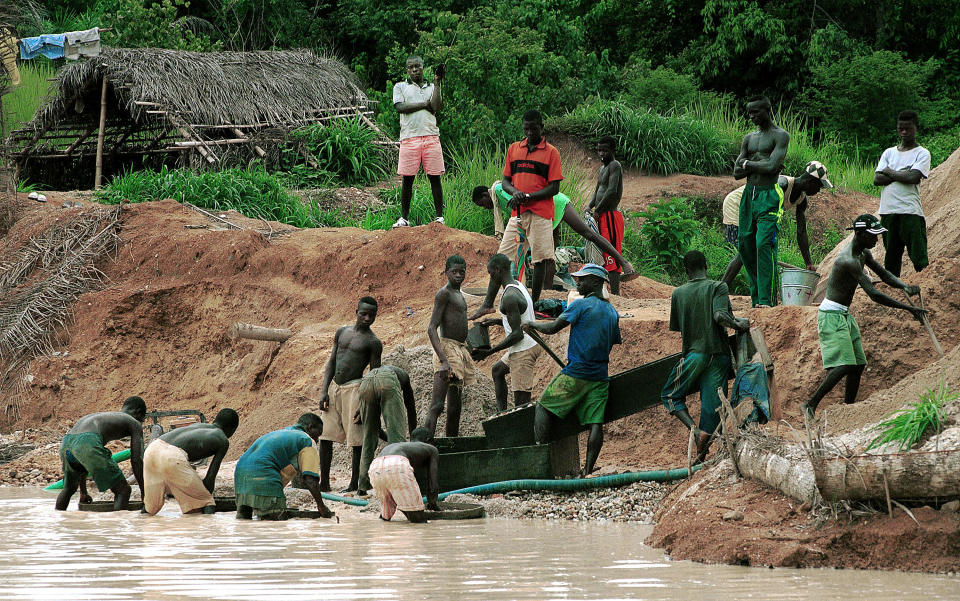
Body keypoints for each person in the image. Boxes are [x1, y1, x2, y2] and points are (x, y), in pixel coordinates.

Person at [801, 215, 927, 420]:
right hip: (831, 315)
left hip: (843, 314)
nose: (876, 240)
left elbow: (884, 274)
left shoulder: (863, 253)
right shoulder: (848, 260)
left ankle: (849, 409)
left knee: (858, 364)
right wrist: (907, 308)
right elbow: (874, 294)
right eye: (873, 235)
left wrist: (904, 286)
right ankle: (810, 404)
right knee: (845, 365)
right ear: (859, 234)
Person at [524, 264, 621, 476]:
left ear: (595, 282)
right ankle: (586, 469)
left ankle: (541, 458)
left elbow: (553, 327)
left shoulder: (580, 306)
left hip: (577, 372)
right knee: (595, 423)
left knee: (542, 407)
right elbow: (613, 342)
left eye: (582, 279)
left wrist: (532, 323)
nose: (577, 283)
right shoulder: (612, 312)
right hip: (600, 375)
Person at [661, 251, 751, 463]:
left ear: (686, 270)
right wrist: (738, 324)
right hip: (718, 356)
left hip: (694, 355)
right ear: (706, 266)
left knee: (670, 395)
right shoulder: (718, 287)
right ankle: (703, 448)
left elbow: (677, 327)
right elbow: (719, 316)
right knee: (712, 409)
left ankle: (694, 431)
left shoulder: (678, 293)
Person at [486, 109, 563, 307]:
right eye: (526, 129)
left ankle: (534, 303)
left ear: (541, 128)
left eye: (534, 129)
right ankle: (487, 303)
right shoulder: (514, 149)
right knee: (501, 258)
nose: (529, 133)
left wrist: (527, 196)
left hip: (541, 213)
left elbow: (554, 187)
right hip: (518, 213)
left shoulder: (551, 152)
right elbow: (505, 181)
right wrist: (516, 193)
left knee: (539, 260)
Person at [721, 161, 834, 285]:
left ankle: (760, 291)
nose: (818, 191)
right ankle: (721, 288)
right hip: (739, 204)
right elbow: (762, 206)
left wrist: (808, 263)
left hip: (756, 212)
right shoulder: (782, 184)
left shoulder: (802, 200)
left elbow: (801, 231)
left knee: (754, 250)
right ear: (809, 182)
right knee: (747, 249)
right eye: (818, 187)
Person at [318, 297, 382, 492]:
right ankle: (325, 482)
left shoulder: (373, 342)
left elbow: (373, 375)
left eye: (371, 315)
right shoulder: (342, 332)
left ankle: (355, 482)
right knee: (325, 436)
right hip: (334, 388)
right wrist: (324, 391)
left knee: (356, 439)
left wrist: (366, 406)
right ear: (356, 311)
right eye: (363, 313)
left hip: (355, 389)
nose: (367, 318)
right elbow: (332, 362)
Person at [733, 96, 790, 308]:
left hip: (769, 195)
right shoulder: (749, 138)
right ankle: (756, 298)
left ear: (767, 110)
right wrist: (758, 163)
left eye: (756, 112)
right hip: (749, 194)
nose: (752, 117)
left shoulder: (780, 135)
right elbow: (737, 173)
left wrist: (748, 163)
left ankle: (767, 300)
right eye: (750, 113)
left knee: (763, 244)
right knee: (746, 245)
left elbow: (773, 166)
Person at [471, 253, 543, 410]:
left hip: (523, 350)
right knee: (497, 371)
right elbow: (521, 318)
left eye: (490, 274)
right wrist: (496, 321)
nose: (490, 278)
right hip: (529, 342)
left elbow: (517, 335)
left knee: (521, 406)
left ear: (497, 270)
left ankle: (520, 428)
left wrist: (488, 353)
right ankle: (502, 413)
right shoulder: (517, 285)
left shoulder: (509, 296)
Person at [234, 413, 334, 520]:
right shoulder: (306, 439)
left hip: (240, 481)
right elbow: (310, 479)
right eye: (317, 434)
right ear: (310, 427)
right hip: (264, 477)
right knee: (276, 523)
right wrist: (321, 506)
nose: (317, 440)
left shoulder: (281, 433)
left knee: (244, 522)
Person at [55, 395, 147, 511]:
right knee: (123, 490)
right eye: (142, 419)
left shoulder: (104, 416)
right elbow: (136, 460)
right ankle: (118, 527)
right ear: (138, 413)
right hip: (88, 442)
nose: (141, 423)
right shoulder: (134, 422)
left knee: (68, 489)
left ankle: (59, 521)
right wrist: (145, 493)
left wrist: (83, 492)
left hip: (66, 443)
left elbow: (82, 459)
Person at [142, 408, 239, 516]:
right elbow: (210, 479)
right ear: (232, 429)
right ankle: (208, 530)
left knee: (150, 507)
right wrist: (204, 494)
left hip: (152, 449)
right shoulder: (222, 440)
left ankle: (140, 527)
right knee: (206, 502)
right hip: (171, 456)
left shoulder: (200, 426)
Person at [874, 110, 931, 277]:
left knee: (919, 258)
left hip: (910, 211)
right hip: (888, 211)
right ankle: (893, 296)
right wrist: (903, 173)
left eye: (908, 128)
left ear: (916, 128)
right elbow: (877, 179)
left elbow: (913, 177)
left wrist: (890, 172)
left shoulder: (922, 153)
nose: (904, 132)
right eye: (901, 128)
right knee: (891, 259)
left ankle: (927, 291)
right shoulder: (889, 152)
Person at [392, 55, 445, 227]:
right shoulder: (400, 86)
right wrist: (424, 104)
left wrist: (437, 82)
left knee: (434, 177)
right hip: (409, 138)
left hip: (431, 136)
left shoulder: (431, 87)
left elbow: (436, 106)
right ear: (407, 69)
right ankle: (404, 218)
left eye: (418, 66)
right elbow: (400, 107)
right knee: (408, 179)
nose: (415, 70)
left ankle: (439, 218)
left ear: (423, 67)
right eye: (411, 67)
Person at [425, 255, 475, 437]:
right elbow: (431, 328)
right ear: (446, 272)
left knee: (455, 407)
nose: (458, 275)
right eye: (454, 272)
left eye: (462, 272)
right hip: (446, 350)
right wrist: (443, 361)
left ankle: (452, 446)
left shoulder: (459, 295)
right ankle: (426, 446)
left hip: (459, 349)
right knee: (437, 405)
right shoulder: (444, 293)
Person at [356, 365, 418, 496]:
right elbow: (411, 409)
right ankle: (397, 483)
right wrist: (413, 439)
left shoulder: (381, 372)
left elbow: (375, 430)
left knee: (368, 437)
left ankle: (362, 485)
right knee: (397, 438)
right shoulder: (404, 378)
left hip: (366, 382)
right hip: (387, 380)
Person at [368, 428, 440, 523]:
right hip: (397, 464)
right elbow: (433, 486)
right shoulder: (431, 448)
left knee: (386, 517)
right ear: (428, 440)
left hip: (375, 467)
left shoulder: (400, 446)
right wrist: (433, 505)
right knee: (419, 522)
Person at [586, 136, 625, 294]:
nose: (601, 153)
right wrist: (589, 206)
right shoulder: (602, 169)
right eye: (599, 150)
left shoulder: (615, 165)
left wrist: (598, 210)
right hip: (600, 216)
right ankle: (603, 292)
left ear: (612, 150)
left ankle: (615, 294)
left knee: (612, 254)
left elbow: (611, 191)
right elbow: (598, 191)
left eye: (605, 150)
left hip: (609, 216)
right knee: (601, 253)